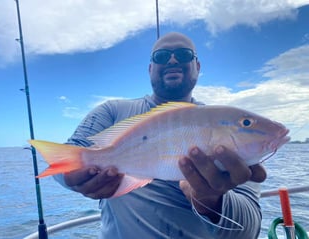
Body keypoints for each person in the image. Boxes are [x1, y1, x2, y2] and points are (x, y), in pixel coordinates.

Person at [55, 32, 267, 239]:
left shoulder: (226, 130)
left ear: (198, 66)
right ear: (150, 69)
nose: (173, 59)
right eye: (161, 56)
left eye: (184, 54)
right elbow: (63, 159)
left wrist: (212, 201)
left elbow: (248, 231)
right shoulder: (112, 112)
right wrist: (72, 178)